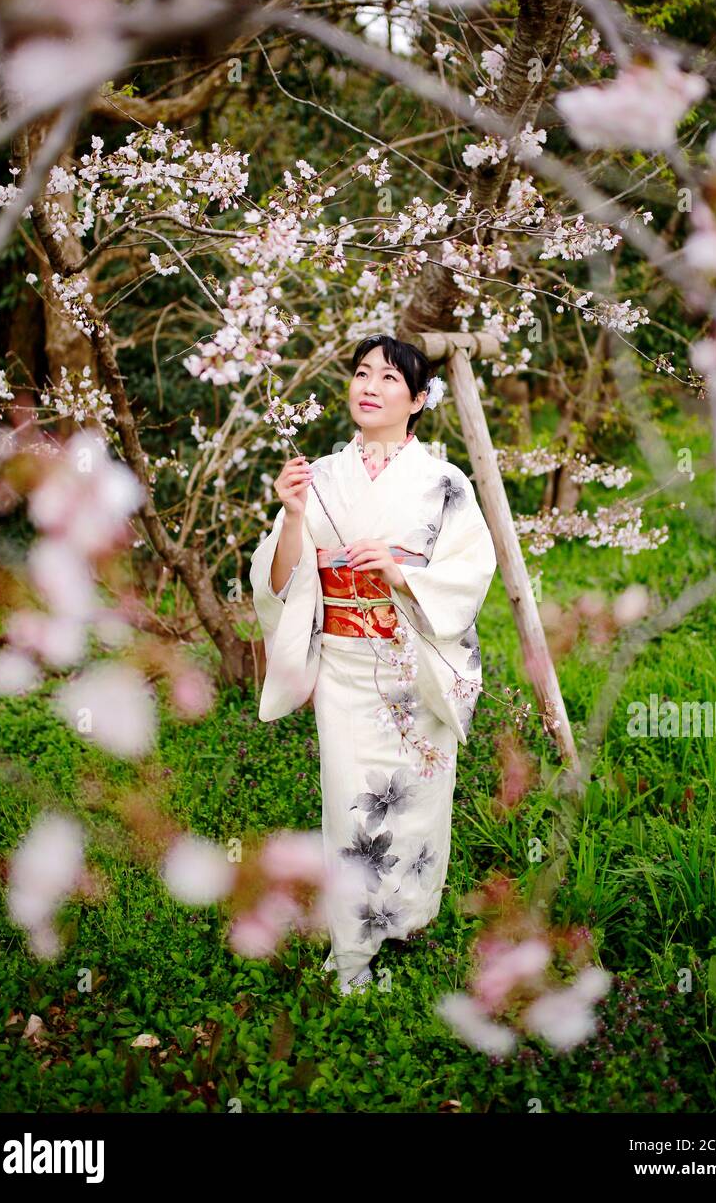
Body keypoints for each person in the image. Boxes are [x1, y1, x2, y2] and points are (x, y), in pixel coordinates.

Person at [249, 335, 498, 993]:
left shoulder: (445, 484)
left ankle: (401, 918)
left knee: (416, 807)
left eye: (390, 378)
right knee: (349, 809)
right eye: (362, 373)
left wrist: (398, 574)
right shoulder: (323, 477)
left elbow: (470, 575)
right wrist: (295, 516)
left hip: (414, 668)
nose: (370, 386)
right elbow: (279, 581)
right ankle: (352, 952)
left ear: (418, 400)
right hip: (344, 668)